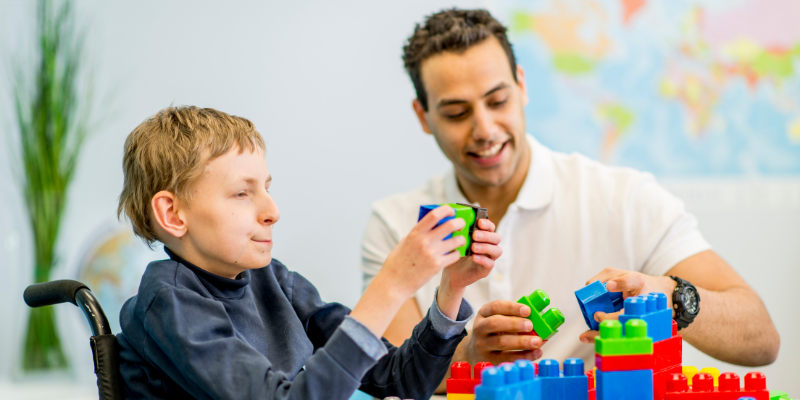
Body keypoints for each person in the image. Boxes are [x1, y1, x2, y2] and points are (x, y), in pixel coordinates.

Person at [360, 8, 780, 393]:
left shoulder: (625, 198)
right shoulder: (397, 224)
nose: (484, 129)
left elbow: (761, 339)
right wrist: (467, 355)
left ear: (522, 86)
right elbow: (391, 379)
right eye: (456, 113)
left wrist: (665, 299)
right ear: (423, 116)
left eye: (498, 100)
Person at [115, 106, 503, 399]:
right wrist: (391, 286)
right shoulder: (168, 304)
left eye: (267, 188)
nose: (272, 212)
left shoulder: (273, 280)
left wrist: (451, 288)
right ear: (173, 214)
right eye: (242, 193)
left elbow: (401, 381)